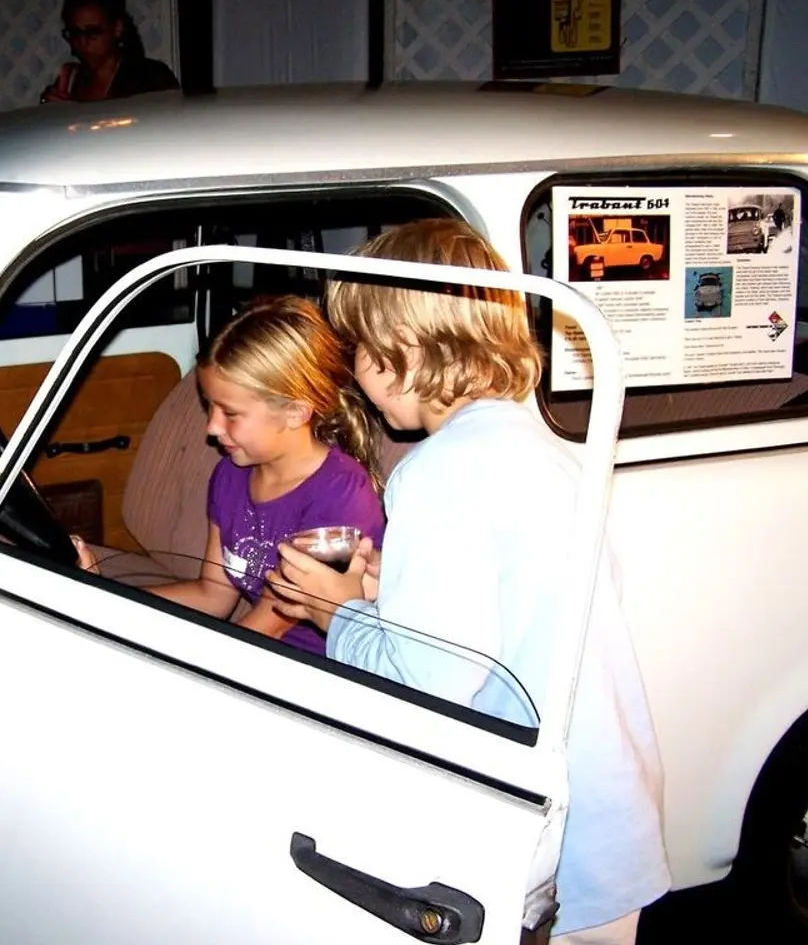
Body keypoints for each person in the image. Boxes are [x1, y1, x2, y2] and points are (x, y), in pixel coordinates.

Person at [265, 220, 670, 943]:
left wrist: (340, 614)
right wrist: (390, 592)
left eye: (359, 348)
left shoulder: (437, 473)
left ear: (404, 354)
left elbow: (429, 684)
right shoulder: (539, 450)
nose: (356, 371)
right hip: (611, 803)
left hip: (545, 831)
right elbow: (517, 614)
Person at [75, 295, 384, 655]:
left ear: (296, 412)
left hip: (315, 669)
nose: (211, 427)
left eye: (231, 413)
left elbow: (268, 624)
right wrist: (107, 601)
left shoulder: (340, 495)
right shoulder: (230, 475)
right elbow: (213, 594)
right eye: (209, 406)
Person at [40, 0, 179, 104]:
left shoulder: (150, 77)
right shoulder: (72, 80)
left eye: (93, 32)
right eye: (76, 33)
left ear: (117, 29)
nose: (83, 42)